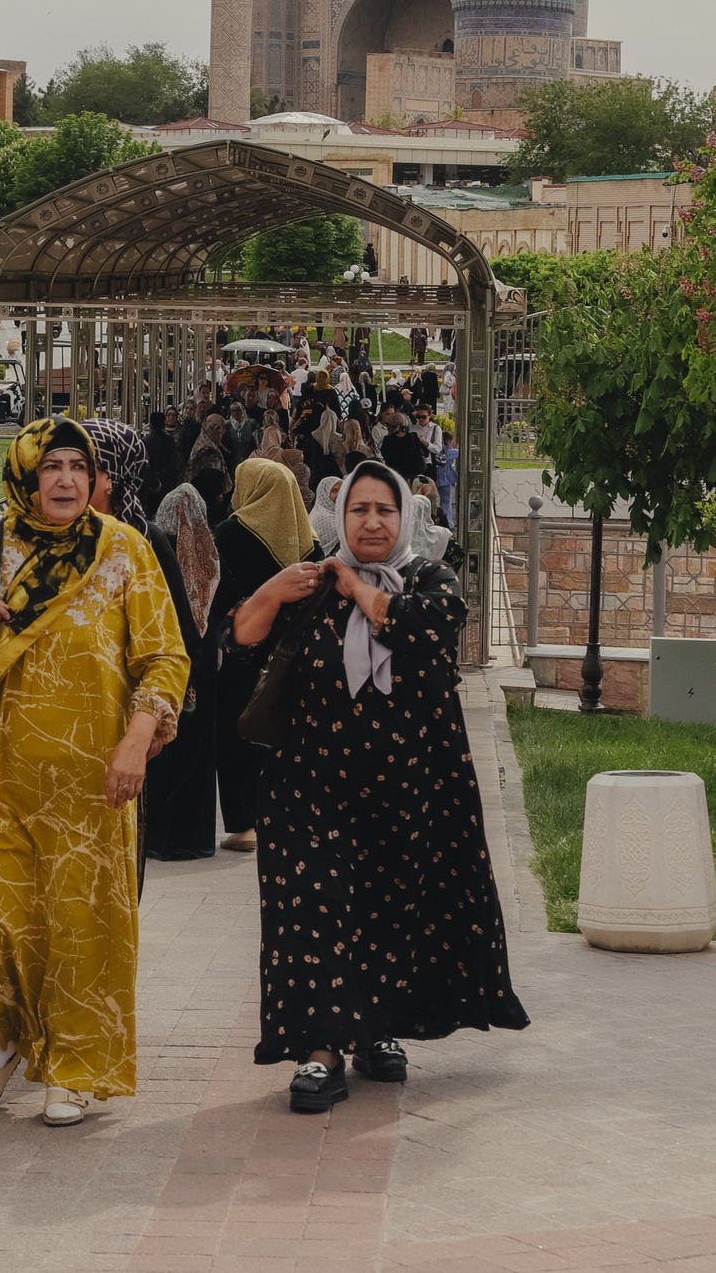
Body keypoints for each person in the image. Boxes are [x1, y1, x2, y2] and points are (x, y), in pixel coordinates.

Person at [0, 418, 189, 1127]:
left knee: (80, 924)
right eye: (50, 466)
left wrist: (138, 735)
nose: (65, 479)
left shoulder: (123, 549)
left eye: (77, 465)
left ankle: (78, 1064)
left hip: (93, 779)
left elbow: (166, 657)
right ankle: (6, 1037)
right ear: (26, 474)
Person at [231, 461, 528, 1112]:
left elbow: (427, 624)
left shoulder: (430, 578)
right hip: (311, 791)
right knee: (319, 914)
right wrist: (273, 592)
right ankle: (320, 1053)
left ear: (403, 519)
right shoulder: (309, 583)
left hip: (404, 793)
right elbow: (239, 640)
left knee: (388, 913)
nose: (369, 521)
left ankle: (373, 1031)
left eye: (382, 510)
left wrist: (359, 589)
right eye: (357, 509)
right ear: (339, 516)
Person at [209, 456, 316, 853]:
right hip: (292, 653)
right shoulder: (308, 539)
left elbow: (218, 596)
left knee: (239, 733)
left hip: (243, 654)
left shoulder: (229, 532)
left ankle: (245, 824)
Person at [141, 484, 221, 861]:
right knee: (196, 758)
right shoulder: (209, 550)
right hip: (201, 666)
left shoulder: (152, 544)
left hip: (163, 665)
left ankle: (158, 837)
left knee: (162, 755)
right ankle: (195, 838)